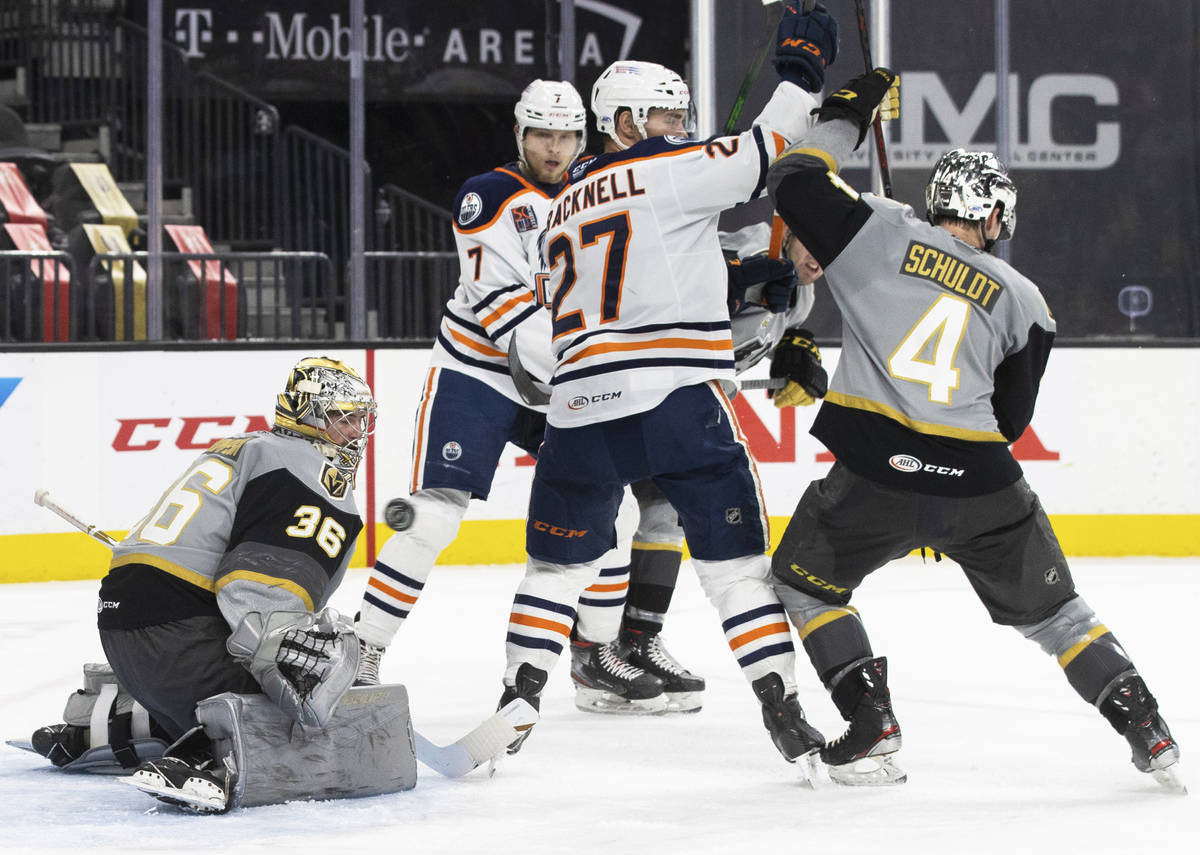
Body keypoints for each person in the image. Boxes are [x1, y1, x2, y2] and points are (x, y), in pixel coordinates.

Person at [765, 70, 1183, 789]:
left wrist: (847, 117)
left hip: (874, 475)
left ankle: (871, 719)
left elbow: (794, 179)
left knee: (805, 584)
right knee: (1059, 615)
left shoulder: (875, 226)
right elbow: (1011, 420)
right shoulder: (1027, 300)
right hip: (982, 484)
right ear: (995, 218)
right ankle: (1146, 724)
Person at [495, 0, 841, 765]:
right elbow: (772, 140)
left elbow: (645, 268)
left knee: (554, 568)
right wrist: (804, 68)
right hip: (677, 401)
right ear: (621, 121)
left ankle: (517, 697)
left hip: (578, 409)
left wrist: (747, 276)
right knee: (737, 569)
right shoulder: (670, 170)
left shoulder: (558, 210)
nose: (680, 128)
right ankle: (781, 705)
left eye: (683, 115)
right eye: (663, 115)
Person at [351, 80, 616, 687]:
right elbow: (502, 307)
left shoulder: (597, 192)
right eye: (543, 134)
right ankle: (363, 646)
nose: (556, 148)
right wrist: (585, 372)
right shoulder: (489, 195)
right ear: (519, 134)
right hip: (481, 372)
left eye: (568, 134)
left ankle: (597, 653)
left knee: (608, 513)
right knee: (432, 517)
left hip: (561, 372)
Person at [32, 356, 378, 810]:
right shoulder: (313, 474)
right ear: (308, 415)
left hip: (125, 631)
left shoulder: (244, 448)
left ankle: (102, 726)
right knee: (299, 709)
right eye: (342, 417)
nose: (354, 430)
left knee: (222, 683)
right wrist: (297, 667)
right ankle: (212, 761)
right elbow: (256, 597)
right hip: (180, 637)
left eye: (358, 418)